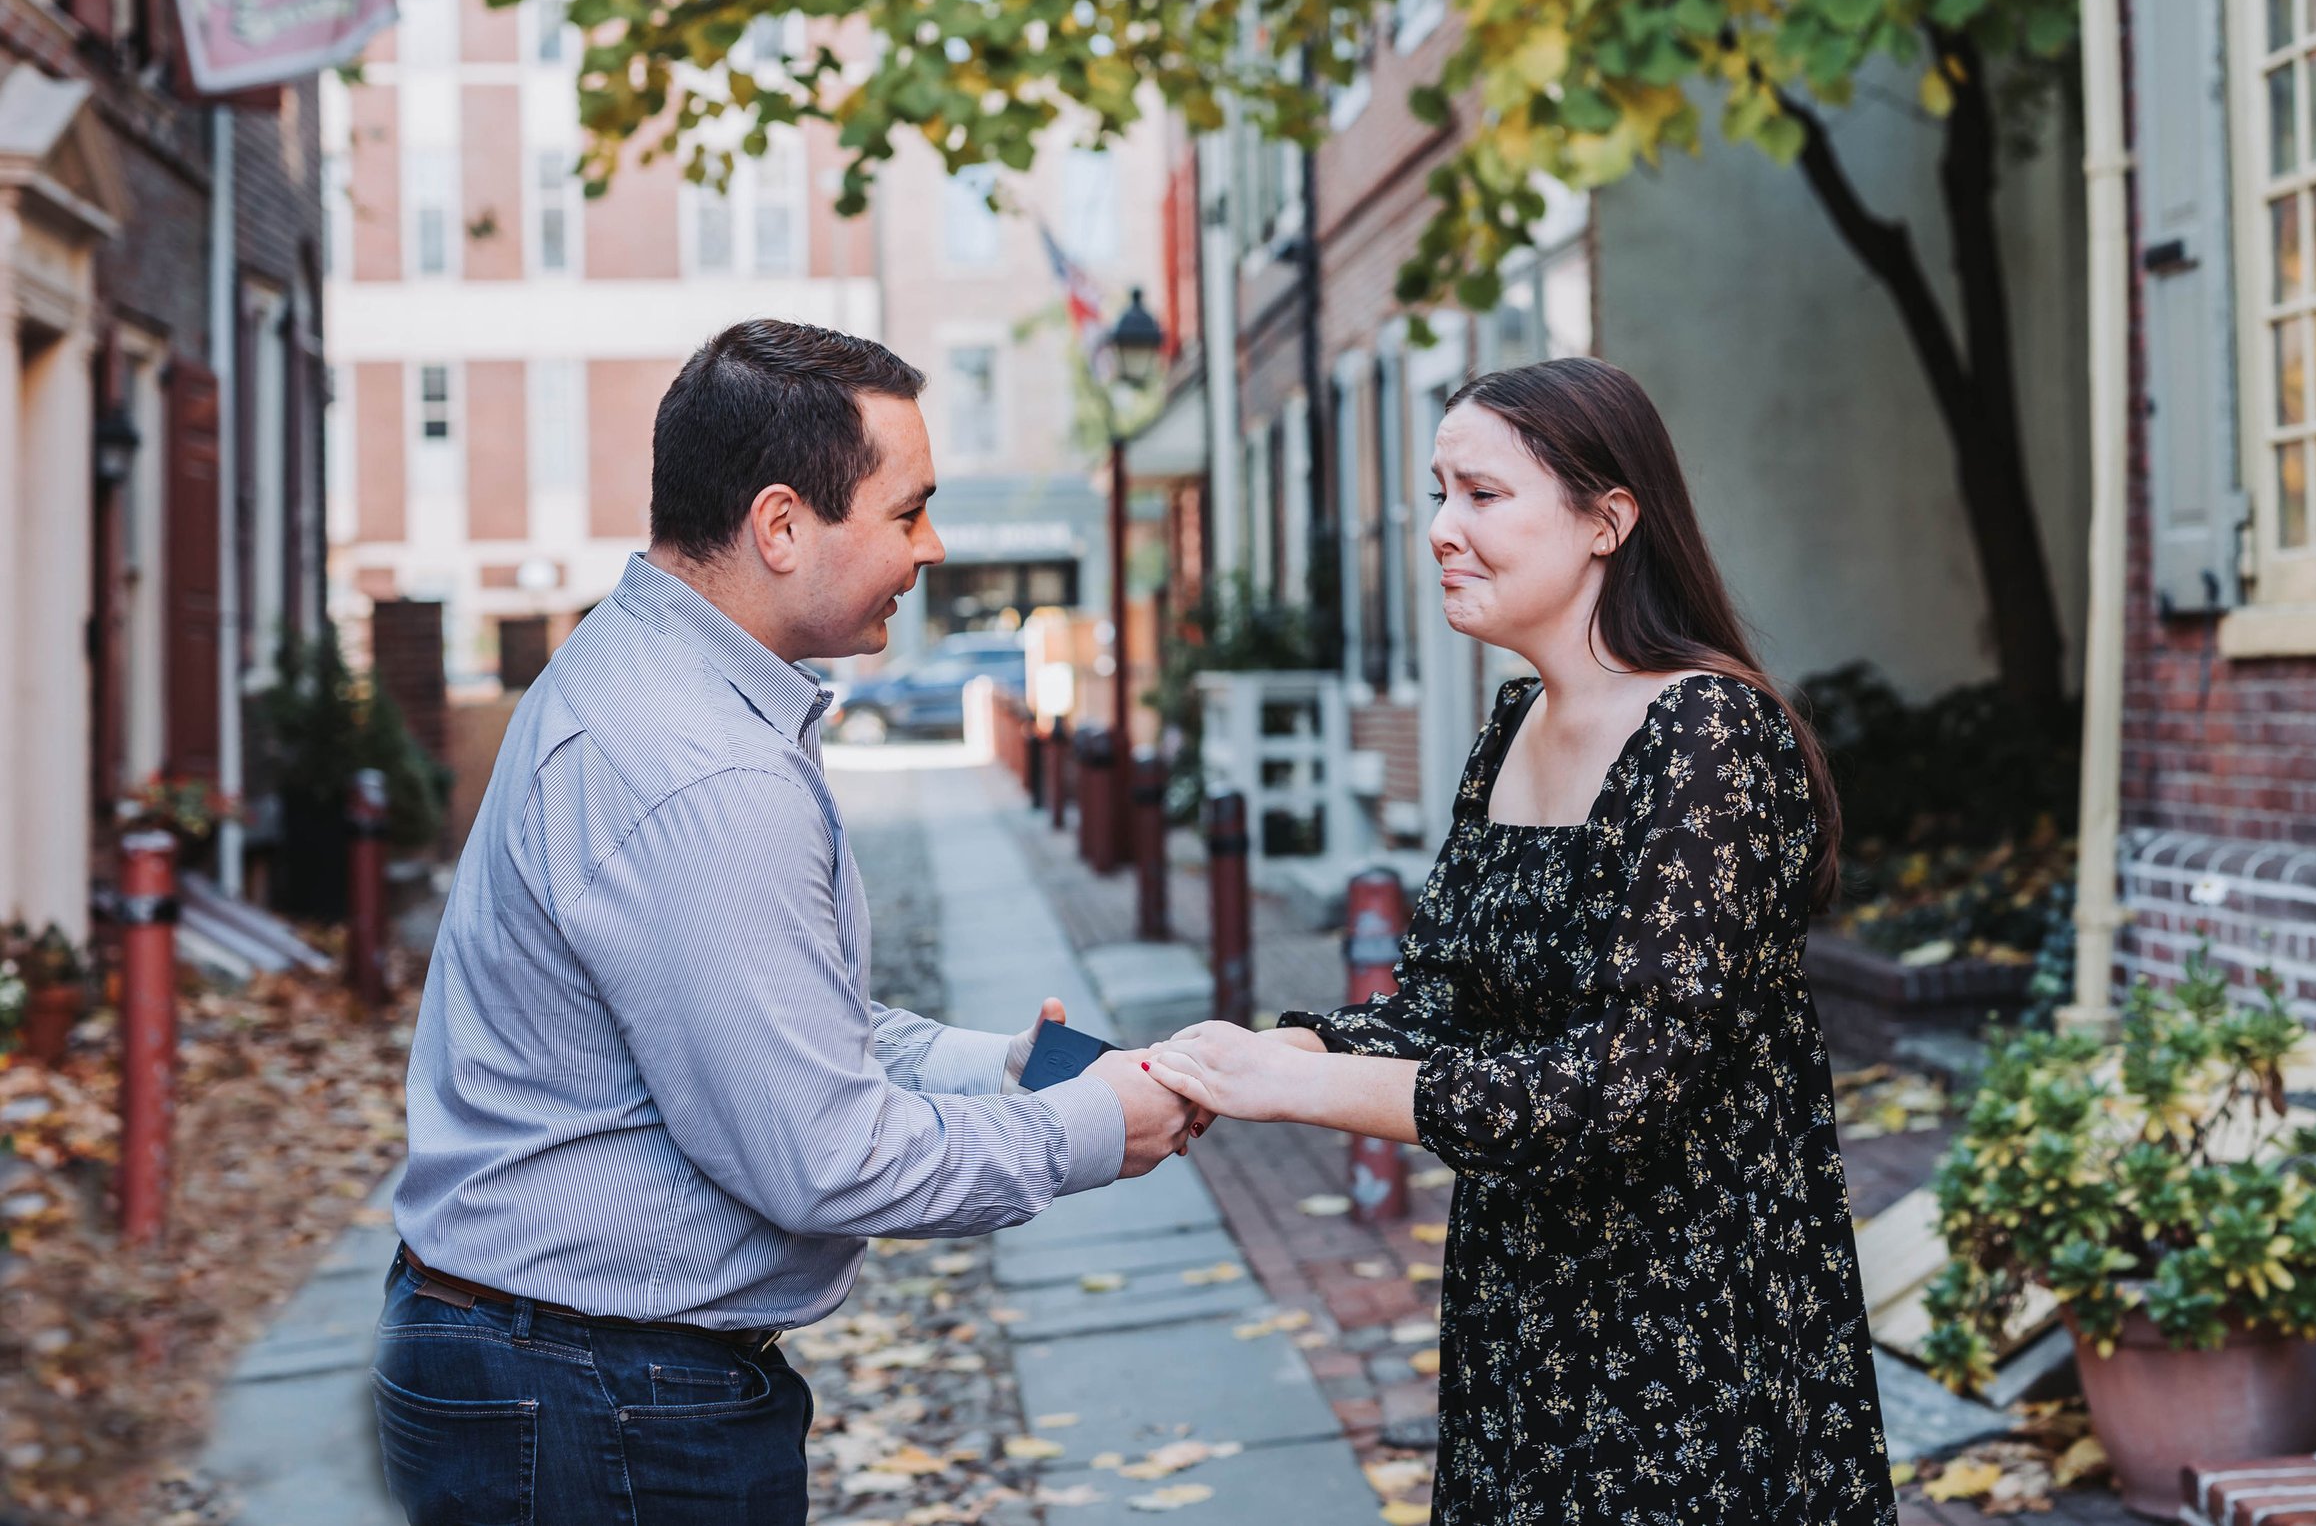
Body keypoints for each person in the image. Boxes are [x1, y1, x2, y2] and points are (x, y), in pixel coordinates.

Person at [374, 321, 1192, 1525]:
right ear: (780, 525)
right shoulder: (703, 769)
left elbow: (766, 1015)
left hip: (551, 1363)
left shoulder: (643, 668)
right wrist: (1083, 1128)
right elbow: (823, 1153)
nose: (934, 545)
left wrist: (1003, 1069)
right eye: (908, 511)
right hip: (595, 1395)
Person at [1144, 358, 1896, 1525]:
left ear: (1608, 518)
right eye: (1438, 493)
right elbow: (1439, 999)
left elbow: (1623, 1082)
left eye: (1481, 495)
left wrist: (1306, 1089)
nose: (1441, 529)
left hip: (1693, 1331)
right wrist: (1269, 1045)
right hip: (1526, 1305)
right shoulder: (1512, 724)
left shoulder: (1710, 734)